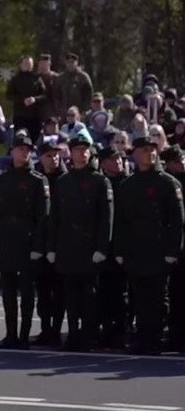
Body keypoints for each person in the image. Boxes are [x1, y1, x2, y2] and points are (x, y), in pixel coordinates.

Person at [113, 136, 184, 354]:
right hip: (136, 249)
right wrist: (119, 250)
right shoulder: (128, 185)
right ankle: (143, 337)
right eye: (145, 150)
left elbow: (177, 220)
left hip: (159, 249)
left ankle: (154, 338)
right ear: (135, 154)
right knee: (140, 296)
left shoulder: (168, 183)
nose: (150, 153)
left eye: (153, 150)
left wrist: (173, 251)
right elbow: (121, 221)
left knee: (158, 297)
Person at [47, 133, 112, 351]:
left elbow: (106, 217)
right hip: (67, 246)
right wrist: (52, 247)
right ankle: (73, 334)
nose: (81, 153)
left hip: (89, 245)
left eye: (85, 150)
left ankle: (88, 335)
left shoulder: (99, 181)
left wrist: (102, 247)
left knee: (90, 296)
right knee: (70, 296)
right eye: (77, 150)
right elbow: (54, 217)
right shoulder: (64, 181)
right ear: (71, 153)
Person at [0, 132, 49, 349]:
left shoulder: (37, 181)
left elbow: (43, 218)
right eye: (20, 149)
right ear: (12, 151)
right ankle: (10, 334)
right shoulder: (2, 180)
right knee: (8, 292)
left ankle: (24, 335)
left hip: (27, 242)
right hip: (6, 241)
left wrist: (38, 247)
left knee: (28, 293)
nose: (24, 153)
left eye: (28, 150)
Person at [33, 137, 67, 346]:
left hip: (62, 242)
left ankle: (56, 329)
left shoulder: (65, 179)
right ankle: (46, 328)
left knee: (60, 290)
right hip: (41, 242)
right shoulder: (37, 178)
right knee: (43, 289)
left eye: (56, 154)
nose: (53, 158)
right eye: (49, 155)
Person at [96, 146, 130, 349]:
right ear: (103, 163)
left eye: (119, 158)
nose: (117, 161)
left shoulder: (129, 183)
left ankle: (121, 331)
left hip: (124, 245)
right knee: (104, 291)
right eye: (112, 159)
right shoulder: (101, 183)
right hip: (104, 245)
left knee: (122, 293)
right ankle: (106, 330)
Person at [160, 145, 185, 351]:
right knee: (175, 294)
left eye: (182, 159)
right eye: (177, 161)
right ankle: (175, 335)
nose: (182, 164)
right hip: (173, 246)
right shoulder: (167, 183)